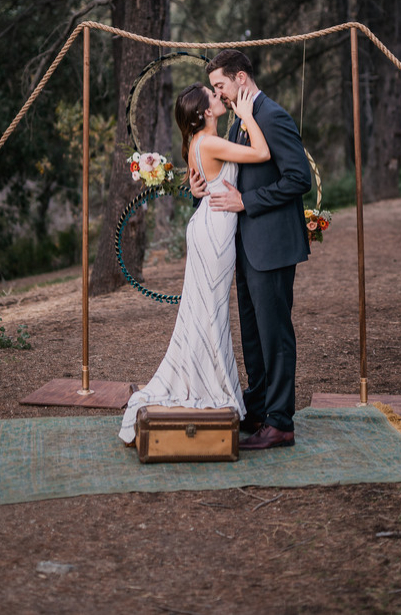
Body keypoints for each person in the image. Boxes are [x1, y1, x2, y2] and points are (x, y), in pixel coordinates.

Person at [119, 82, 268, 444]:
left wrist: (196, 185)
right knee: (210, 313)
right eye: (214, 96)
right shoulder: (210, 141)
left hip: (207, 226)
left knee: (206, 312)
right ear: (204, 112)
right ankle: (209, 388)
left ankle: (208, 380)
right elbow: (262, 153)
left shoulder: (196, 145)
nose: (221, 97)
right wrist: (247, 115)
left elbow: (203, 179)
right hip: (214, 234)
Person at [190, 49, 312, 451]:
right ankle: (257, 407)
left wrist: (248, 202)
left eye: (220, 85)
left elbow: (299, 179)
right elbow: (230, 175)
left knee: (275, 335)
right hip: (246, 247)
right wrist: (201, 192)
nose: (218, 94)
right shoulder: (242, 123)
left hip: (272, 246)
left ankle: (280, 423)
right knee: (254, 335)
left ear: (241, 78)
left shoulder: (272, 116)